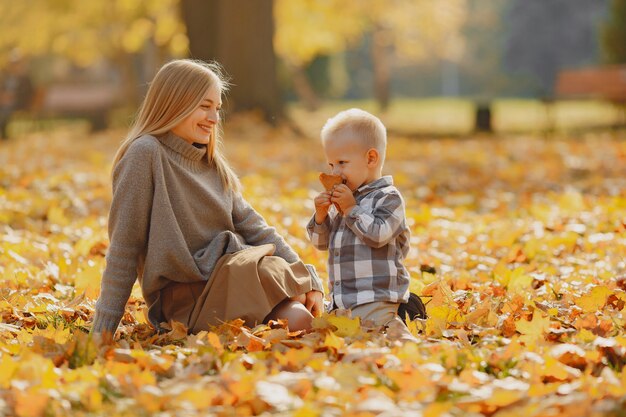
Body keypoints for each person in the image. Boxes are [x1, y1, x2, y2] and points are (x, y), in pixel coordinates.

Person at [92, 59, 324, 342]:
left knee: (300, 312)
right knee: (297, 320)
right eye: (204, 106)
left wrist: (308, 277)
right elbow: (124, 247)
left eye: (217, 109)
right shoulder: (145, 154)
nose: (214, 118)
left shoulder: (213, 165)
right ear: (174, 103)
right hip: (187, 298)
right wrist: (101, 333)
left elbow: (257, 229)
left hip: (234, 277)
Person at [306, 108, 419, 342]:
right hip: (343, 300)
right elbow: (321, 243)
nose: (335, 172)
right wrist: (320, 217)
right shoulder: (346, 199)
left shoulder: (389, 198)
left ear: (371, 158)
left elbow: (377, 235)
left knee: (376, 337)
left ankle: (400, 329)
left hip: (375, 298)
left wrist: (350, 209)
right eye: (331, 165)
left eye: (342, 163)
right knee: (329, 337)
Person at [0, 55, 34, 140]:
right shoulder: (6, 77)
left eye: (16, 64)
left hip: (18, 103)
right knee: (3, 109)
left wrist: (13, 97)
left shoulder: (25, 79)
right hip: (4, 103)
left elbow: (27, 94)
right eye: (12, 64)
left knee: (4, 111)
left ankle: (4, 134)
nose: (14, 66)